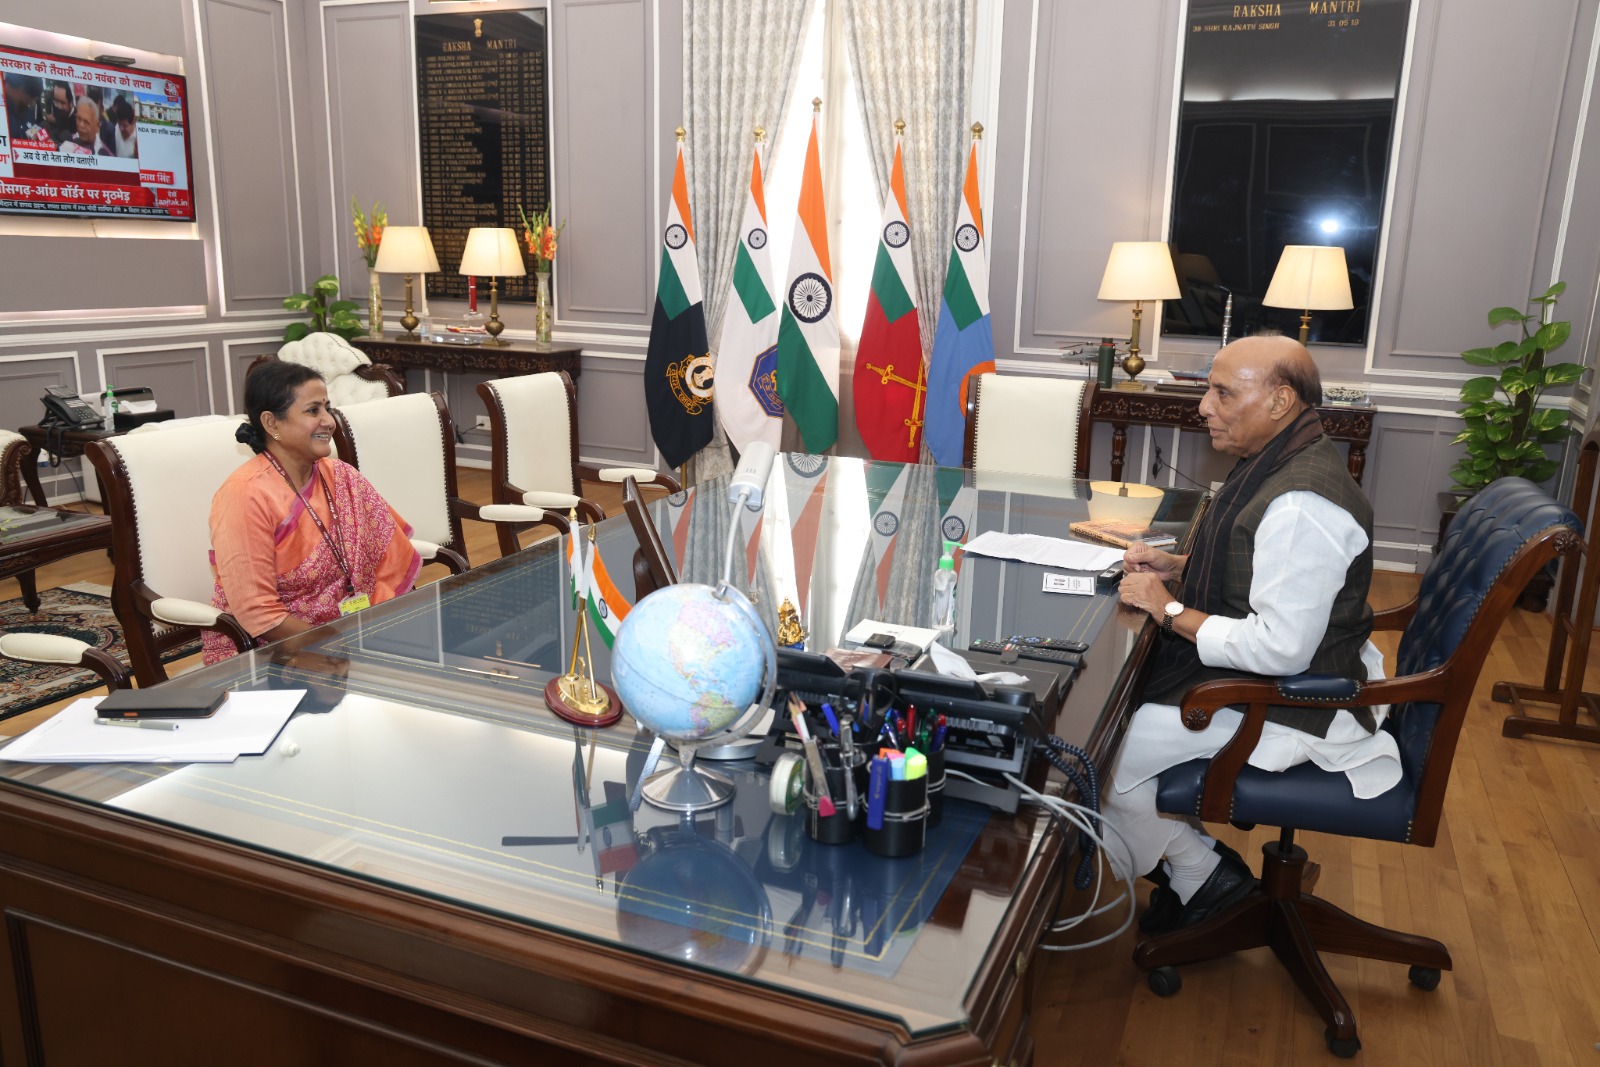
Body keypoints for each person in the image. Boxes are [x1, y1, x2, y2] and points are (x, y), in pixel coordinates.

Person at [1108, 332, 1401, 933]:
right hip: (1297, 675)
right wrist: (1180, 569)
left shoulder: (1302, 504)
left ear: (1280, 400)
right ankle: (1199, 869)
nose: (1203, 407)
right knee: (1117, 719)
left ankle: (1202, 874)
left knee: (1103, 745)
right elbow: (1264, 571)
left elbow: (1279, 648)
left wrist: (1168, 609)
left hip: (1300, 702)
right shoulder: (1286, 456)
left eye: (1222, 393)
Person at [204, 361, 421, 664]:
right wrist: (337, 646)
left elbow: (389, 556)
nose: (329, 421)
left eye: (327, 408)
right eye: (313, 410)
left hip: (352, 636)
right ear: (272, 423)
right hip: (270, 653)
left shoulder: (342, 476)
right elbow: (258, 612)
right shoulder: (245, 495)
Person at [3, 73, 46, 145]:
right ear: (22, 90)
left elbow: (34, 129)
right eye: (32, 98)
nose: (33, 103)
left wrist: (47, 142)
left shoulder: (28, 112)